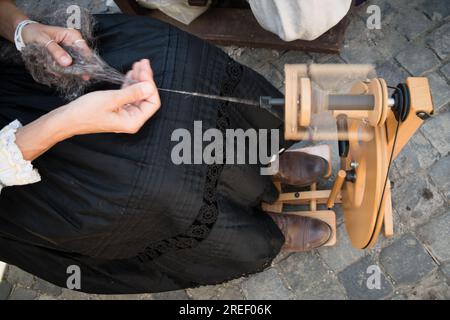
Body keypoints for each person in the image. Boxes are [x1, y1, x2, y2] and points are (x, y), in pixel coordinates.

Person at [0, 0, 331, 294]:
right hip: (15, 173)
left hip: (13, 77)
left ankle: (259, 161)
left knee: (176, 56)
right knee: (154, 184)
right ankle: (255, 237)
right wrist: (69, 121)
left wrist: (23, 29)